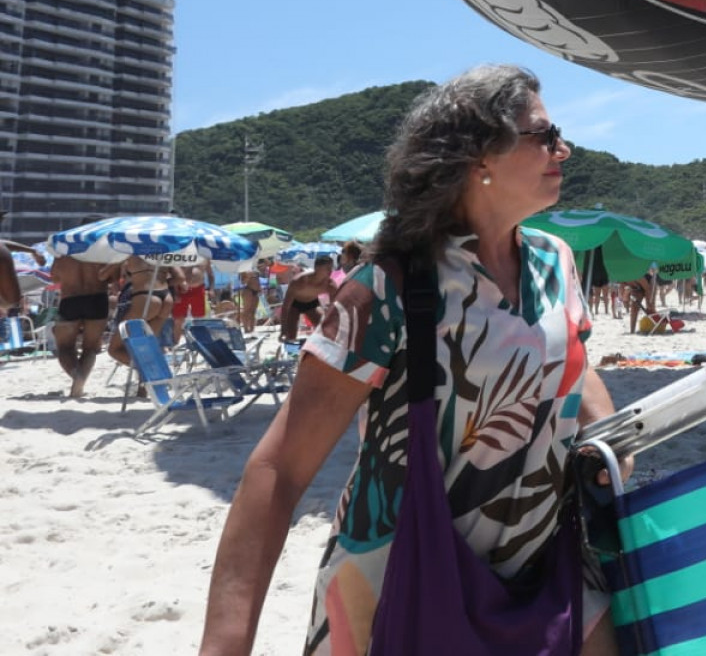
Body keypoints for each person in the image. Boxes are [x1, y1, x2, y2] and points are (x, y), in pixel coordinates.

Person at [200, 64, 622, 654]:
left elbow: (574, 367)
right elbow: (280, 470)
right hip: (396, 588)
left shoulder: (556, 263)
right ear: (480, 160)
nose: (565, 150)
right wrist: (225, 644)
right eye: (544, 136)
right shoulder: (385, 291)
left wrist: (612, 443)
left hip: (539, 575)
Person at [47, 254, 115, 398]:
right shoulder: (100, 252)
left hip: (71, 299)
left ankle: (77, 377)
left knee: (64, 347)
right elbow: (113, 278)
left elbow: (54, 278)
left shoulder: (62, 254)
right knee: (90, 348)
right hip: (97, 299)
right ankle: (79, 386)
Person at [107, 255, 175, 366]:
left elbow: (103, 275)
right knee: (147, 345)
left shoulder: (131, 249)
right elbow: (180, 277)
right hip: (166, 297)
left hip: (146, 297)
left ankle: (151, 371)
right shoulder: (164, 249)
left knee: (114, 349)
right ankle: (152, 374)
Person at [277, 255, 337, 344]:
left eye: (331, 267)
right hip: (294, 304)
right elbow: (286, 307)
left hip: (312, 303)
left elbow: (335, 307)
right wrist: (283, 328)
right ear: (316, 268)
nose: (330, 271)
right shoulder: (299, 281)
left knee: (324, 329)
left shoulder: (329, 285)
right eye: (327, 268)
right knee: (290, 335)